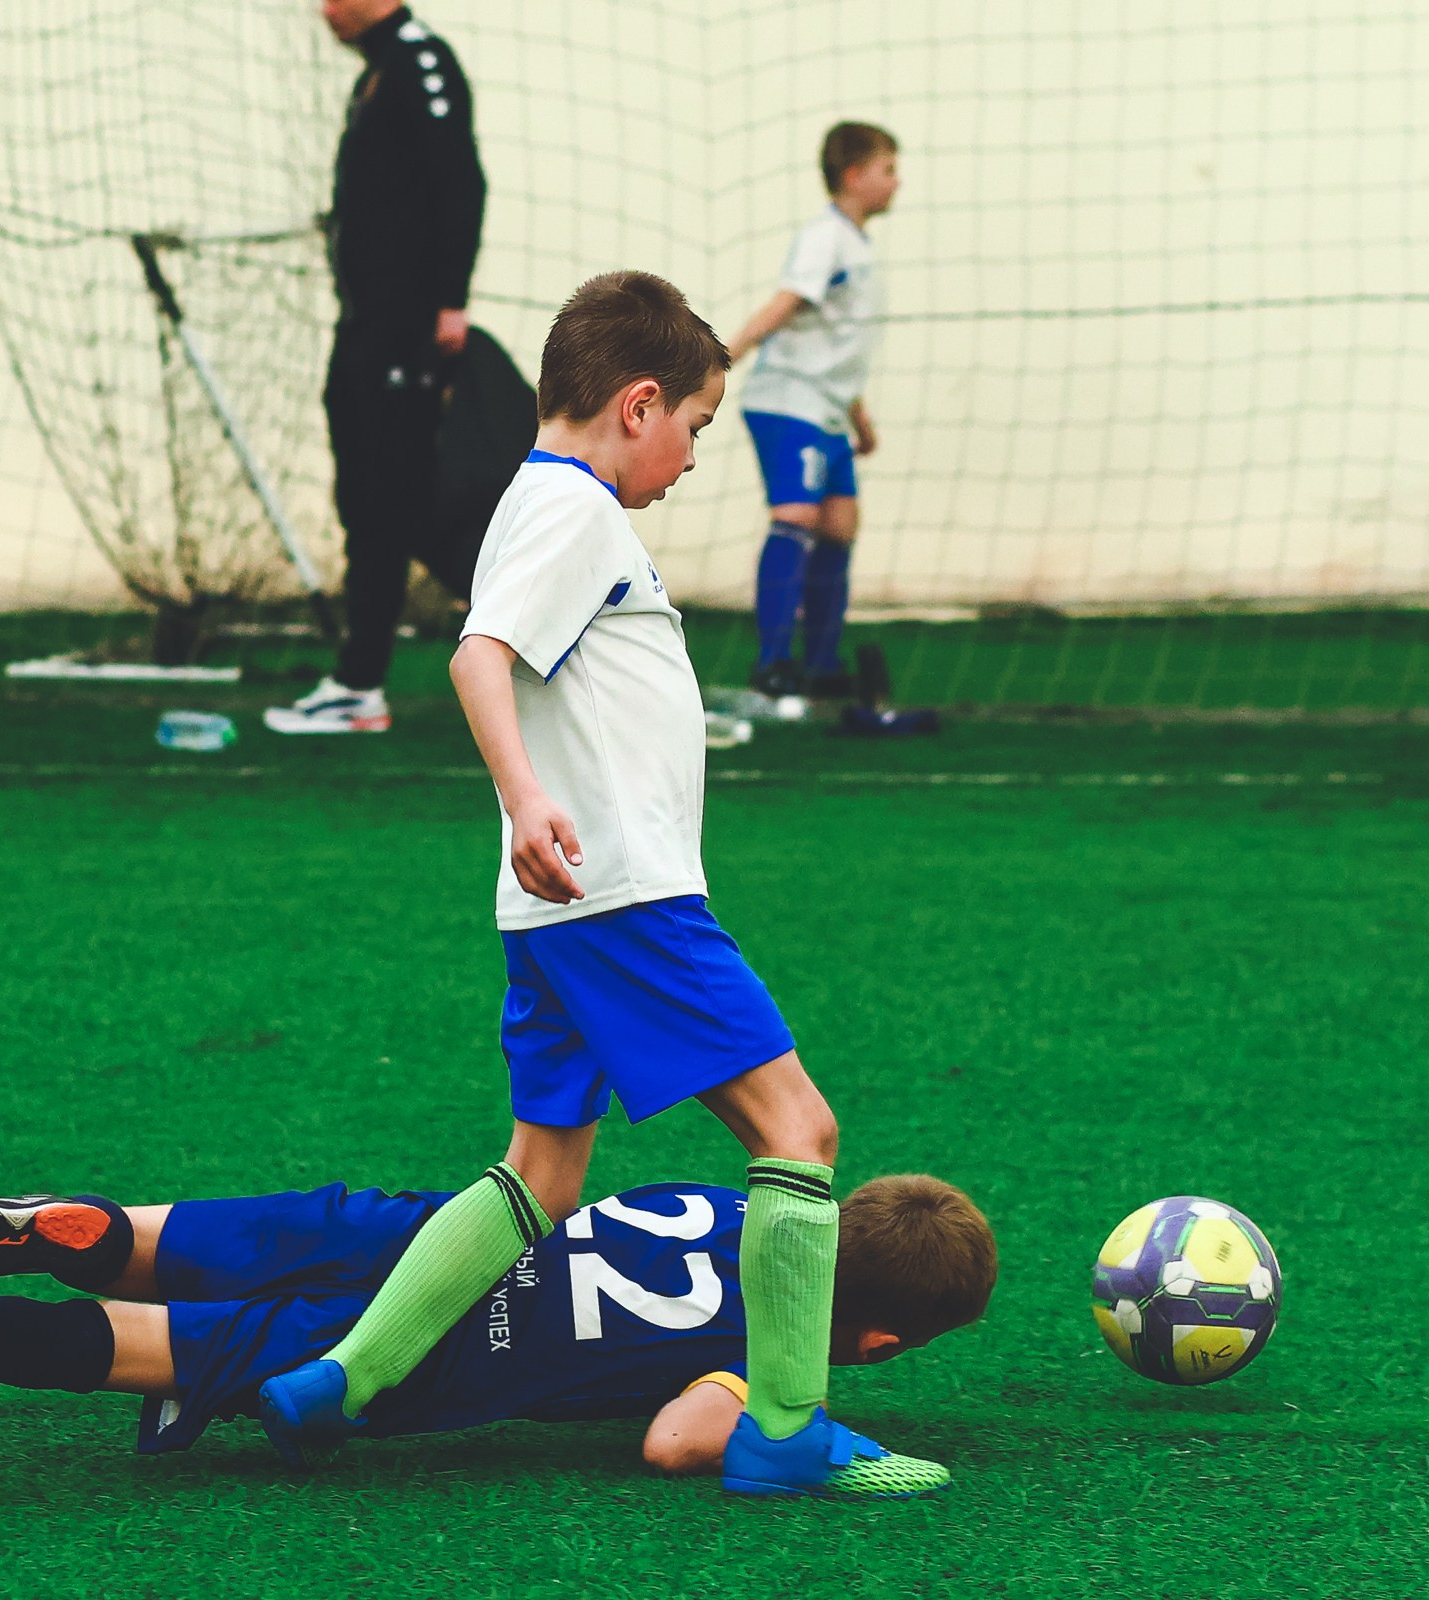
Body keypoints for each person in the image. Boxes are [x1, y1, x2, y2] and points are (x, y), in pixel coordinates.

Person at [254, 271, 937, 1502]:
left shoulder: (543, 504)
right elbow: (477, 656)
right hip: (624, 896)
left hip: (561, 905)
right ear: (638, 404)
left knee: (543, 1172)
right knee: (800, 1133)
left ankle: (342, 1379)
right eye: (697, 425)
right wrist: (526, 799)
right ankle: (786, 1430)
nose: (693, 456)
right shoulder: (572, 508)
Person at [0, 1172, 995, 1480]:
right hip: (440, 1345)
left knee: (200, 1239)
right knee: (160, 1349)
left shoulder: (745, 1203)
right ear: (879, 1340)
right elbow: (676, 1439)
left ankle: (57, 1220)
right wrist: (803, 1415)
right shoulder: (765, 1350)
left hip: (455, 1225)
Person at [266, 0, 485, 737]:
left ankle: (362, 684)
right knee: (375, 504)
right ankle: (358, 681)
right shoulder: (381, 69)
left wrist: (449, 301)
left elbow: (461, 180)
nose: (322, 10)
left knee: (391, 504)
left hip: (405, 333)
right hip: (369, 329)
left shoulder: (421, 61)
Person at [726, 122, 901, 698]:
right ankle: (772, 663)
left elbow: (835, 345)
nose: (896, 182)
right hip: (786, 398)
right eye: (888, 169)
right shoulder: (825, 237)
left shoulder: (858, 246)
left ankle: (822, 664)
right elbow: (787, 303)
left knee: (840, 525)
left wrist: (860, 419)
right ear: (853, 176)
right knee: (797, 516)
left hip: (825, 406)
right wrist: (722, 357)